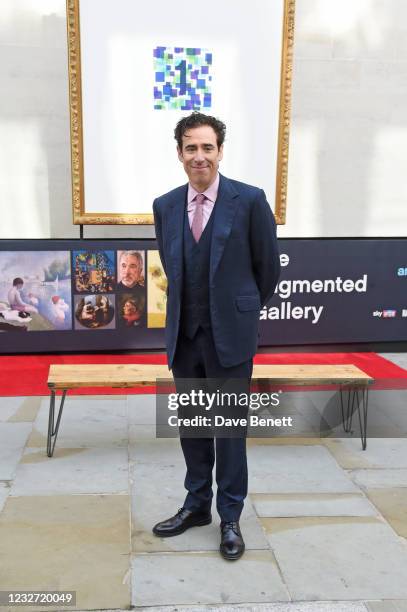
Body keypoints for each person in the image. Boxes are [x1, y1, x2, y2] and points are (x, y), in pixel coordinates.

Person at [152, 112, 280, 561]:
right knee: (193, 427)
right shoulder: (166, 205)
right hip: (185, 336)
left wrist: (237, 311)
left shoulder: (249, 200)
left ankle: (230, 516)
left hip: (230, 336)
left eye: (207, 147)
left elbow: (269, 270)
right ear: (180, 154)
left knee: (228, 431)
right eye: (191, 148)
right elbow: (174, 266)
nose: (199, 156)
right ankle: (196, 505)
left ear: (220, 151)